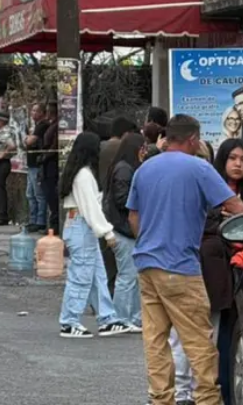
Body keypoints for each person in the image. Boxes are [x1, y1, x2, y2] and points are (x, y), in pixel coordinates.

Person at [127, 114, 243, 405]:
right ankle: (207, 400)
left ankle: (161, 399)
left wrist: (148, 240)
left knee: (156, 342)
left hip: (147, 266)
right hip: (181, 267)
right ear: (194, 139)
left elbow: (133, 215)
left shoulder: (144, 169)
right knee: (198, 343)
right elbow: (233, 205)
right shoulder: (199, 167)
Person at [57, 132, 131, 338]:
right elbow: (91, 208)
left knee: (97, 275)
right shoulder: (84, 176)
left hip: (80, 225)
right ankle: (69, 321)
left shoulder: (78, 173)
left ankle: (107, 318)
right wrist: (106, 231)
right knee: (81, 276)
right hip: (83, 226)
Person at [102, 131, 145, 333]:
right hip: (122, 230)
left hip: (122, 229)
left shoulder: (121, 167)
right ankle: (120, 317)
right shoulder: (124, 170)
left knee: (132, 275)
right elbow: (122, 200)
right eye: (142, 148)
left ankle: (133, 317)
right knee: (127, 276)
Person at [24, 103, 49, 233]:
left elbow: (29, 142)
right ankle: (32, 220)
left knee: (39, 194)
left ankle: (40, 221)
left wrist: (27, 138)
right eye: (32, 110)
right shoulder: (35, 127)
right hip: (31, 164)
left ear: (42, 113)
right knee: (30, 194)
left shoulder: (42, 126)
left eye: (35, 111)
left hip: (37, 165)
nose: (32, 113)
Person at [42, 103, 60, 234]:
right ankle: (52, 224)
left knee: (52, 196)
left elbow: (54, 146)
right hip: (47, 164)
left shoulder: (56, 127)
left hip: (52, 164)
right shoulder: (51, 125)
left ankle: (54, 225)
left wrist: (44, 156)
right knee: (48, 195)